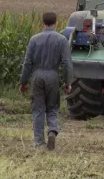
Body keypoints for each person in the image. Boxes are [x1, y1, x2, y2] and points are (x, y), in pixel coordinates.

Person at [19, 12, 73, 150]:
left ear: (42, 23)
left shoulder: (34, 39)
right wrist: (68, 83)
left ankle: (39, 143)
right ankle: (52, 130)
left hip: (37, 75)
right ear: (55, 23)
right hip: (53, 76)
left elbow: (27, 63)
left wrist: (23, 82)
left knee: (38, 109)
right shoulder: (62, 40)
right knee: (52, 107)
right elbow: (67, 64)